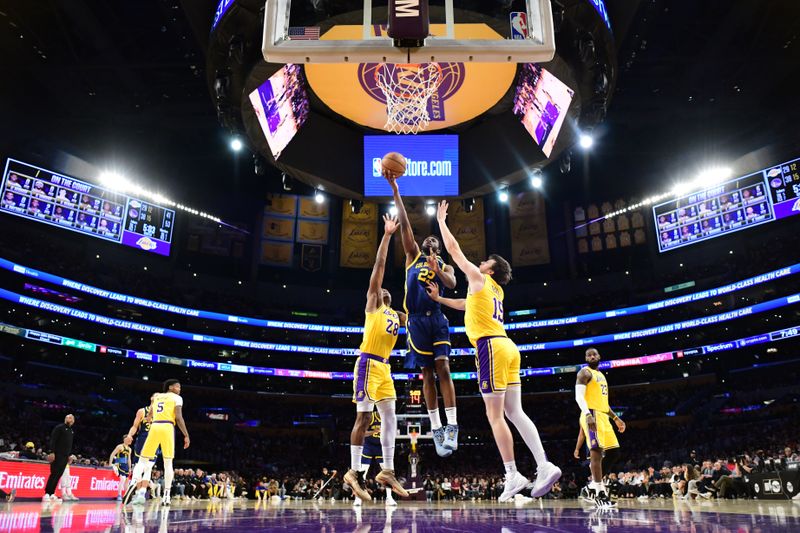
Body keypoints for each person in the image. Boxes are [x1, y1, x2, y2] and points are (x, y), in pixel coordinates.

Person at [426, 200, 561, 502]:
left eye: (486, 261)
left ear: (491, 269)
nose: (481, 262)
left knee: (495, 415)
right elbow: (465, 304)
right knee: (515, 411)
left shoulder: (480, 278)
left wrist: (442, 222)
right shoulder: (494, 291)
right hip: (508, 347)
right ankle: (544, 464)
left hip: (489, 347)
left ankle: (512, 475)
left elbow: (455, 252)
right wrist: (440, 300)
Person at [384, 175, 459, 456]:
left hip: (437, 316)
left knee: (444, 369)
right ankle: (437, 428)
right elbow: (404, 223)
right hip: (415, 319)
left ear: (438, 247)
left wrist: (438, 270)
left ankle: (452, 425)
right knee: (427, 373)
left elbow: (451, 285)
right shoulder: (413, 255)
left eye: (434, 238)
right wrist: (396, 191)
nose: (429, 238)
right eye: (426, 237)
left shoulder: (445, 264)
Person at [344, 214, 409, 504]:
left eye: (385, 290)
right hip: (367, 363)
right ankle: (354, 473)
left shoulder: (397, 316)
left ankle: (387, 470)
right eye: (379, 287)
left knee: (391, 417)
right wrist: (387, 235)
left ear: (391, 298)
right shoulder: (373, 304)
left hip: (384, 368)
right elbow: (379, 266)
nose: (381, 288)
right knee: (363, 416)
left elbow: (419, 315)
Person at [575, 348, 626, 508]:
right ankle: (599, 493)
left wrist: (616, 418)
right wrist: (587, 414)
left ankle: (590, 487)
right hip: (591, 413)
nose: (591, 356)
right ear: (585, 358)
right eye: (588, 355)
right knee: (596, 453)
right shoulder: (584, 373)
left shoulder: (602, 376)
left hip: (603, 415)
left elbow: (604, 403)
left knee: (614, 452)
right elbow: (578, 397)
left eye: (594, 354)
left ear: (599, 356)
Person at [129, 379, 190, 506]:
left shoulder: (157, 397)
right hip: (167, 427)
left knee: (142, 461)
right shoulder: (177, 398)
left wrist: (151, 417)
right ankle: (166, 495)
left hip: (154, 427)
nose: (180, 389)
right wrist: (186, 434)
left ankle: (133, 482)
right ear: (171, 387)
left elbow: (150, 414)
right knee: (168, 463)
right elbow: (178, 417)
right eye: (178, 387)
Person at [353, 410, 398, 506]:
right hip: (368, 445)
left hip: (380, 446)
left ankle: (389, 498)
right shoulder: (370, 417)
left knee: (387, 473)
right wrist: (374, 431)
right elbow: (362, 433)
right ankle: (358, 498)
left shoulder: (388, 417)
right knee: (362, 472)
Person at [122, 394, 157, 504]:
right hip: (142, 440)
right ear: (151, 398)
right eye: (156, 396)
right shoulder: (142, 411)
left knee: (148, 468)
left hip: (155, 441)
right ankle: (137, 492)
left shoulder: (161, 414)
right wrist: (129, 435)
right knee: (139, 466)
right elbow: (135, 426)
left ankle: (141, 494)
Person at [43, 414, 75, 502]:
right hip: (57, 455)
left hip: (65, 457)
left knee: (58, 475)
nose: (70, 419)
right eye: (68, 417)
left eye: (72, 418)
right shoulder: (59, 427)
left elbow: (69, 445)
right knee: (54, 473)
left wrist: (69, 455)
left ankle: (52, 493)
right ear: (65, 419)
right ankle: (46, 493)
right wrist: (52, 452)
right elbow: (53, 440)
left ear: (73, 421)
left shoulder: (71, 431)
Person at [109, 435, 133, 501]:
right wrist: (110, 464)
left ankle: (127, 495)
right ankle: (119, 495)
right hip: (119, 464)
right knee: (122, 479)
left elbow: (129, 459)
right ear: (125, 439)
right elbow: (112, 454)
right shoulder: (120, 446)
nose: (130, 440)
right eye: (129, 439)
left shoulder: (129, 449)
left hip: (126, 466)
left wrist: (130, 468)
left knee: (127, 481)